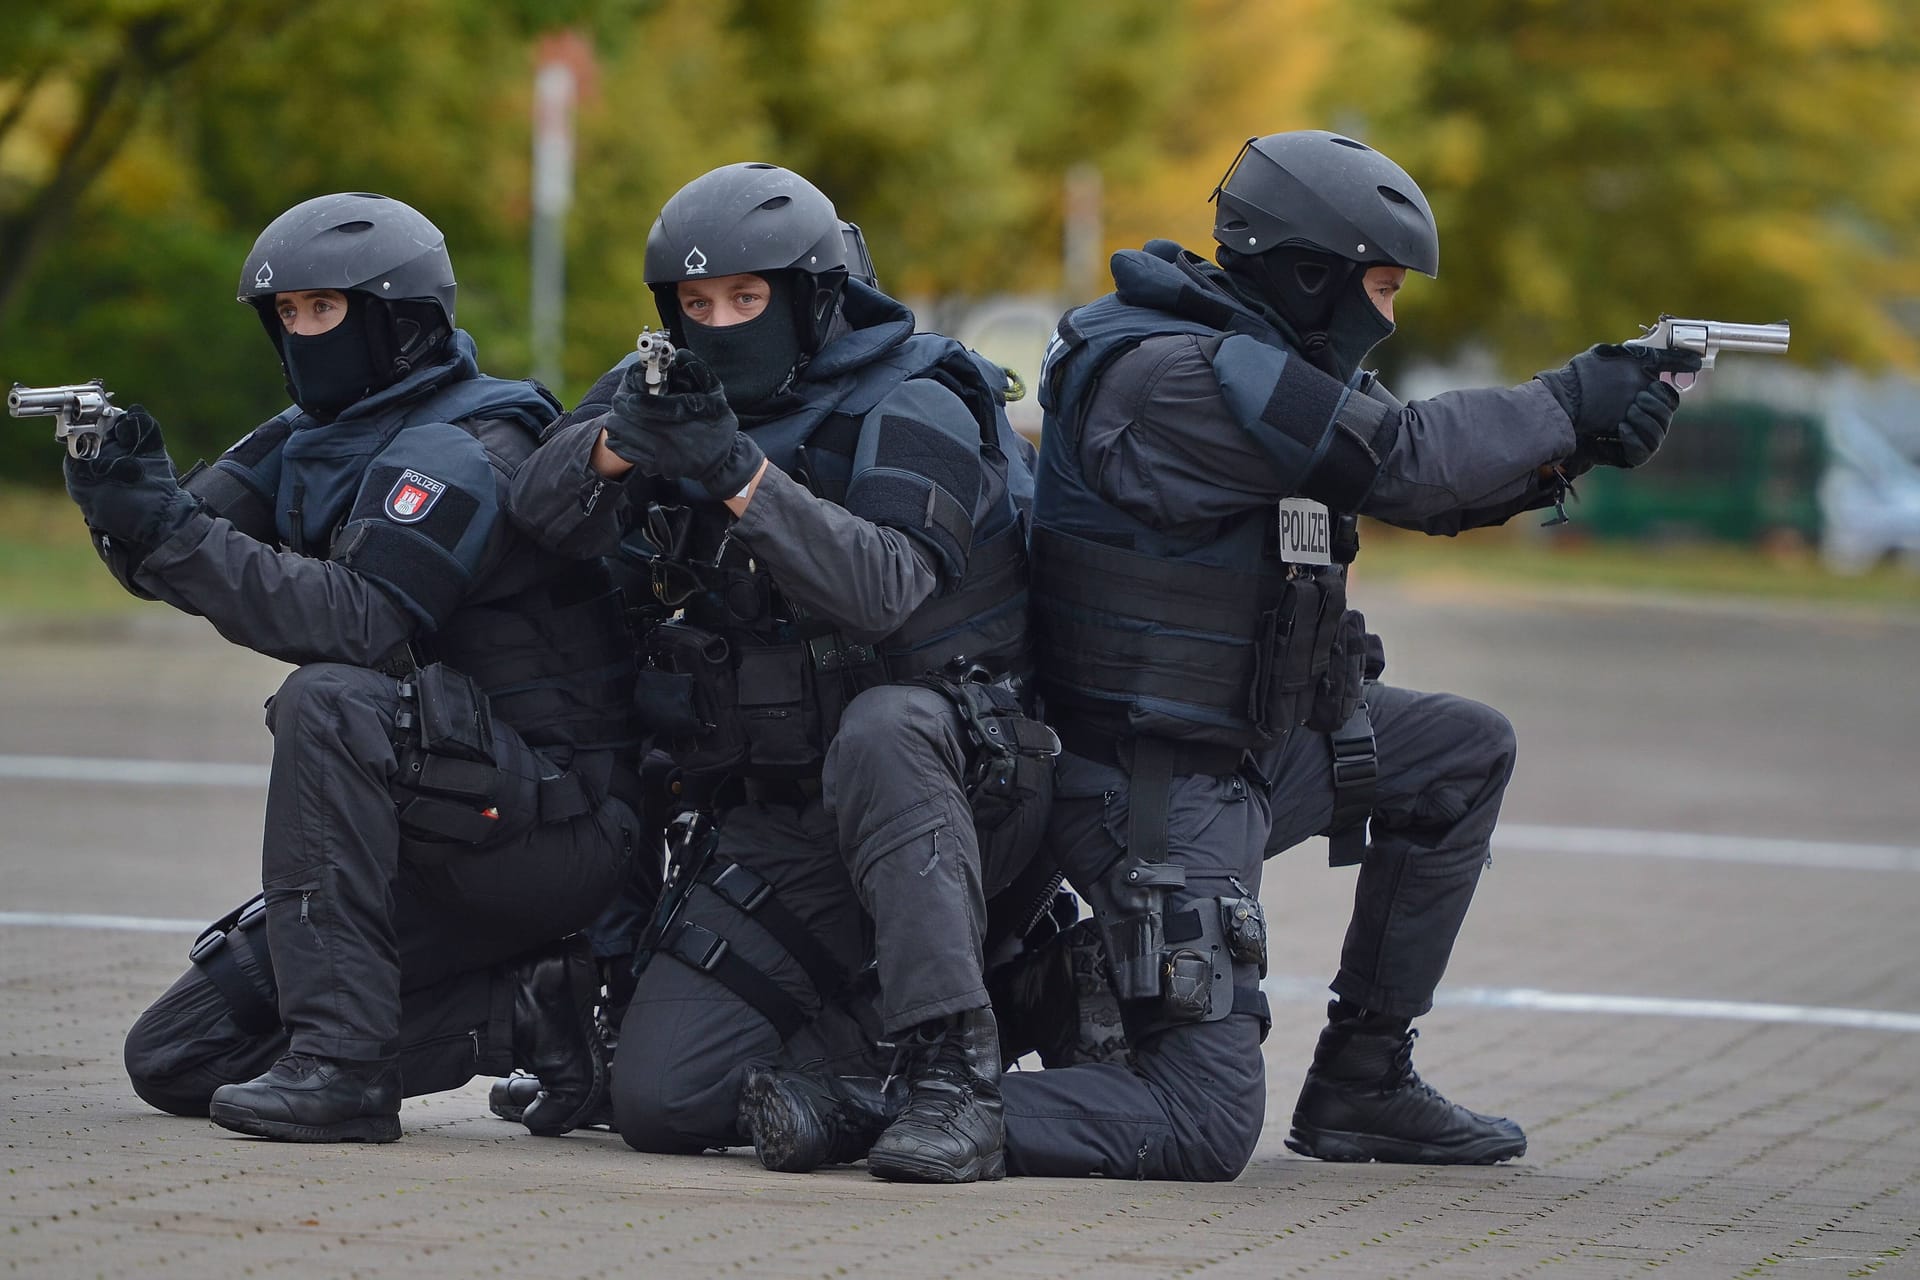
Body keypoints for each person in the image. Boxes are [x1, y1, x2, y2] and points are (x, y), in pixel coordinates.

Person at [755, 129, 1699, 1181]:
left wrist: (1574, 445)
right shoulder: (1170, 375)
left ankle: (1364, 1078)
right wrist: (1567, 397)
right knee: (1203, 1121)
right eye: (1378, 286)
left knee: (1463, 752)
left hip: (1253, 746)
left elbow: (1420, 489)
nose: (1387, 315)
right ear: (1310, 274)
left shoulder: (1266, 360)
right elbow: (1402, 459)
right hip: (1144, 783)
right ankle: (893, 1096)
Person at [506, 162, 1056, 1183]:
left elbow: (884, 586)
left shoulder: (917, 394)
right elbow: (537, 512)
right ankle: (896, 1054)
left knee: (886, 724)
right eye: (696, 303)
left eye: (748, 299)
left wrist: (735, 474)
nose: (719, 322)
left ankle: (957, 1077)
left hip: (956, 788)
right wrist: (620, 445)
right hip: (785, 812)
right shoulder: (674, 388)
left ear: (812, 297)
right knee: (662, 1101)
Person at [71, 192, 645, 1143]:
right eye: (286, 314)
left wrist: (171, 533)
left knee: (329, 699)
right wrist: (121, 504)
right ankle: (535, 1012)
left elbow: (362, 622)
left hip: (548, 826)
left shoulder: (470, 443)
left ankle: (341, 1070)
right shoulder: (311, 432)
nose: (302, 335)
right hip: (424, 818)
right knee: (176, 1059)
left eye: (324, 311)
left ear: (400, 320)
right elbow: (185, 557)